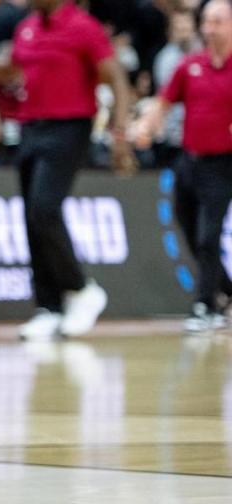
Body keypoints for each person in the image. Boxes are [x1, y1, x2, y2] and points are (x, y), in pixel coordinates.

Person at [0, 0, 136, 340]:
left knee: (44, 208)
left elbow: (115, 76)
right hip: (31, 127)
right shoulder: (26, 27)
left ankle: (82, 288)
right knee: (29, 217)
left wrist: (119, 133)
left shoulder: (83, 26)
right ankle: (48, 308)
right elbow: (11, 67)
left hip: (70, 127)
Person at [135, 0, 232, 332]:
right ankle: (226, 291)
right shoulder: (190, 65)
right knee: (187, 224)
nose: (209, 28)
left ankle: (206, 304)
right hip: (189, 158)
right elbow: (162, 102)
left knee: (209, 233)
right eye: (206, 21)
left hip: (224, 162)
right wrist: (146, 126)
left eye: (217, 21)